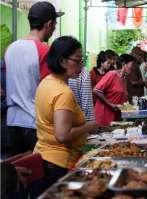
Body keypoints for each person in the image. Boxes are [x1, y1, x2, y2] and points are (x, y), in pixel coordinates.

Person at [34, 36, 98, 196]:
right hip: (58, 162)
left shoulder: (46, 82)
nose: (81, 65)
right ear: (62, 62)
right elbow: (62, 135)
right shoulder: (63, 93)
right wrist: (89, 126)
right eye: (77, 60)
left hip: (43, 155)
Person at [4, 1, 64, 156]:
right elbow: (51, 90)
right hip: (35, 123)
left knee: (19, 172)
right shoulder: (45, 51)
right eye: (55, 23)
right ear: (49, 24)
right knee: (40, 174)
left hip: (11, 122)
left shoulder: (10, 49)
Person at [93, 54, 135, 126]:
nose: (133, 67)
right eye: (131, 65)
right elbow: (96, 90)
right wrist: (111, 104)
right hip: (104, 116)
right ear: (124, 64)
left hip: (115, 117)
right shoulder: (112, 74)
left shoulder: (124, 79)